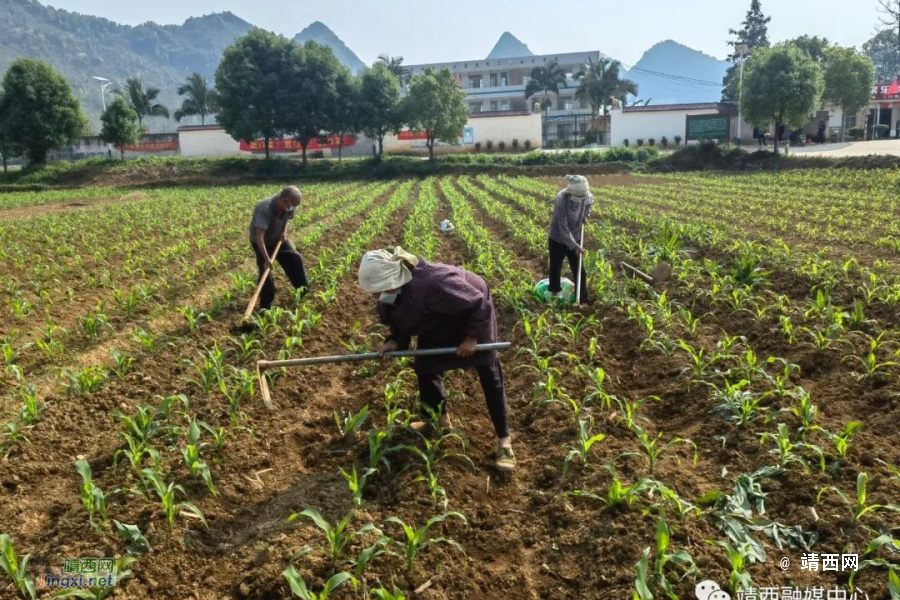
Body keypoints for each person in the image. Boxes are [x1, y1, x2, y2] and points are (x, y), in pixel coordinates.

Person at [357, 247, 516, 472]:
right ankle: (438, 422)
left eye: (377, 290)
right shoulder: (389, 296)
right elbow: (400, 323)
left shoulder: (433, 282)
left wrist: (472, 337)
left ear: (392, 279)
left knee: (488, 371)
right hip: (437, 319)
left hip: (471, 313)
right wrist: (395, 342)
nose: (375, 296)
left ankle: (504, 441)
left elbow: (478, 303)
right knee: (426, 367)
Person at [249, 186, 309, 310]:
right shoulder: (264, 209)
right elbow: (259, 236)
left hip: (278, 239)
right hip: (262, 243)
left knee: (295, 259)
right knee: (266, 275)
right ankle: (265, 306)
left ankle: (303, 291)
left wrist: (284, 232)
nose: (293, 208)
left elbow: (287, 218)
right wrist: (266, 258)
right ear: (285, 200)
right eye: (292, 205)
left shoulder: (288, 206)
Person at [547, 175, 593, 304]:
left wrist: (586, 215)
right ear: (570, 191)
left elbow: (590, 203)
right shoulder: (561, 198)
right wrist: (574, 246)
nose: (580, 199)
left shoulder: (587, 195)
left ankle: (583, 299)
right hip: (558, 237)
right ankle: (554, 294)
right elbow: (563, 227)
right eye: (577, 196)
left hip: (576, 234)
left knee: (579, 268)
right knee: (555, 267)